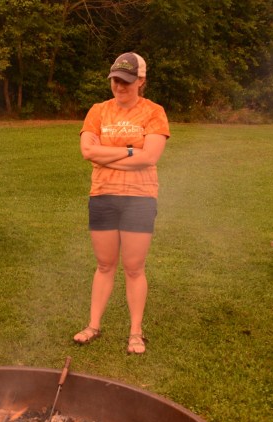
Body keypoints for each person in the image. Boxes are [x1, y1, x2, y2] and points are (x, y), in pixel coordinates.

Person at [73, 52, 170, 355]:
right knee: (104, 265)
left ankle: (135, 332)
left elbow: (150, 157)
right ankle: (93, 325)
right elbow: (88, 152)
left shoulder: (153, 112)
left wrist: (109, 155)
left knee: (133, 267)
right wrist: (130, 151)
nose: (119, 86)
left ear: (141, 80)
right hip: (103, 195)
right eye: (115, 80)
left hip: (139, 198)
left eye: (126, 81)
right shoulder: (98, 111)